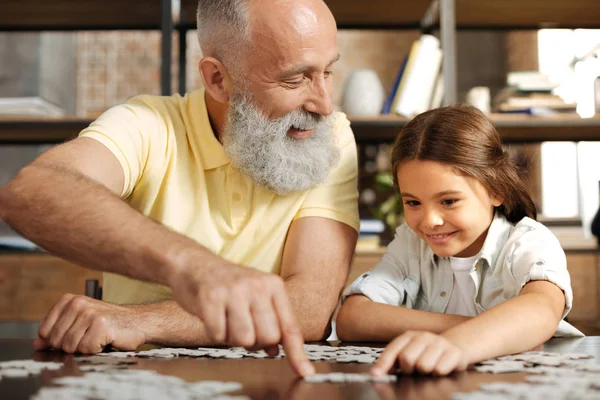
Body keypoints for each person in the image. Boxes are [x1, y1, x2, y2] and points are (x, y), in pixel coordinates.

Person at [0, 0, 359, 377]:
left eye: (328, 71)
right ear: (218, 79)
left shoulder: (329, 134)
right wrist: (193, 267)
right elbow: (31, 192)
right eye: (294, 79)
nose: (324, 102)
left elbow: (309, 308)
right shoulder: (148, 124)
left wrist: (142, 322)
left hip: (274, 386)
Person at [336, 104, 582, 377]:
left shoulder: (528, 241)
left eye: (449, 201)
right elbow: (353, 317)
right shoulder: (410, 243)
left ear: (496, 190)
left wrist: (460, 343)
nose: (430, 220)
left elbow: (541, 309)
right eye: (413, 202)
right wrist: (464, 327)